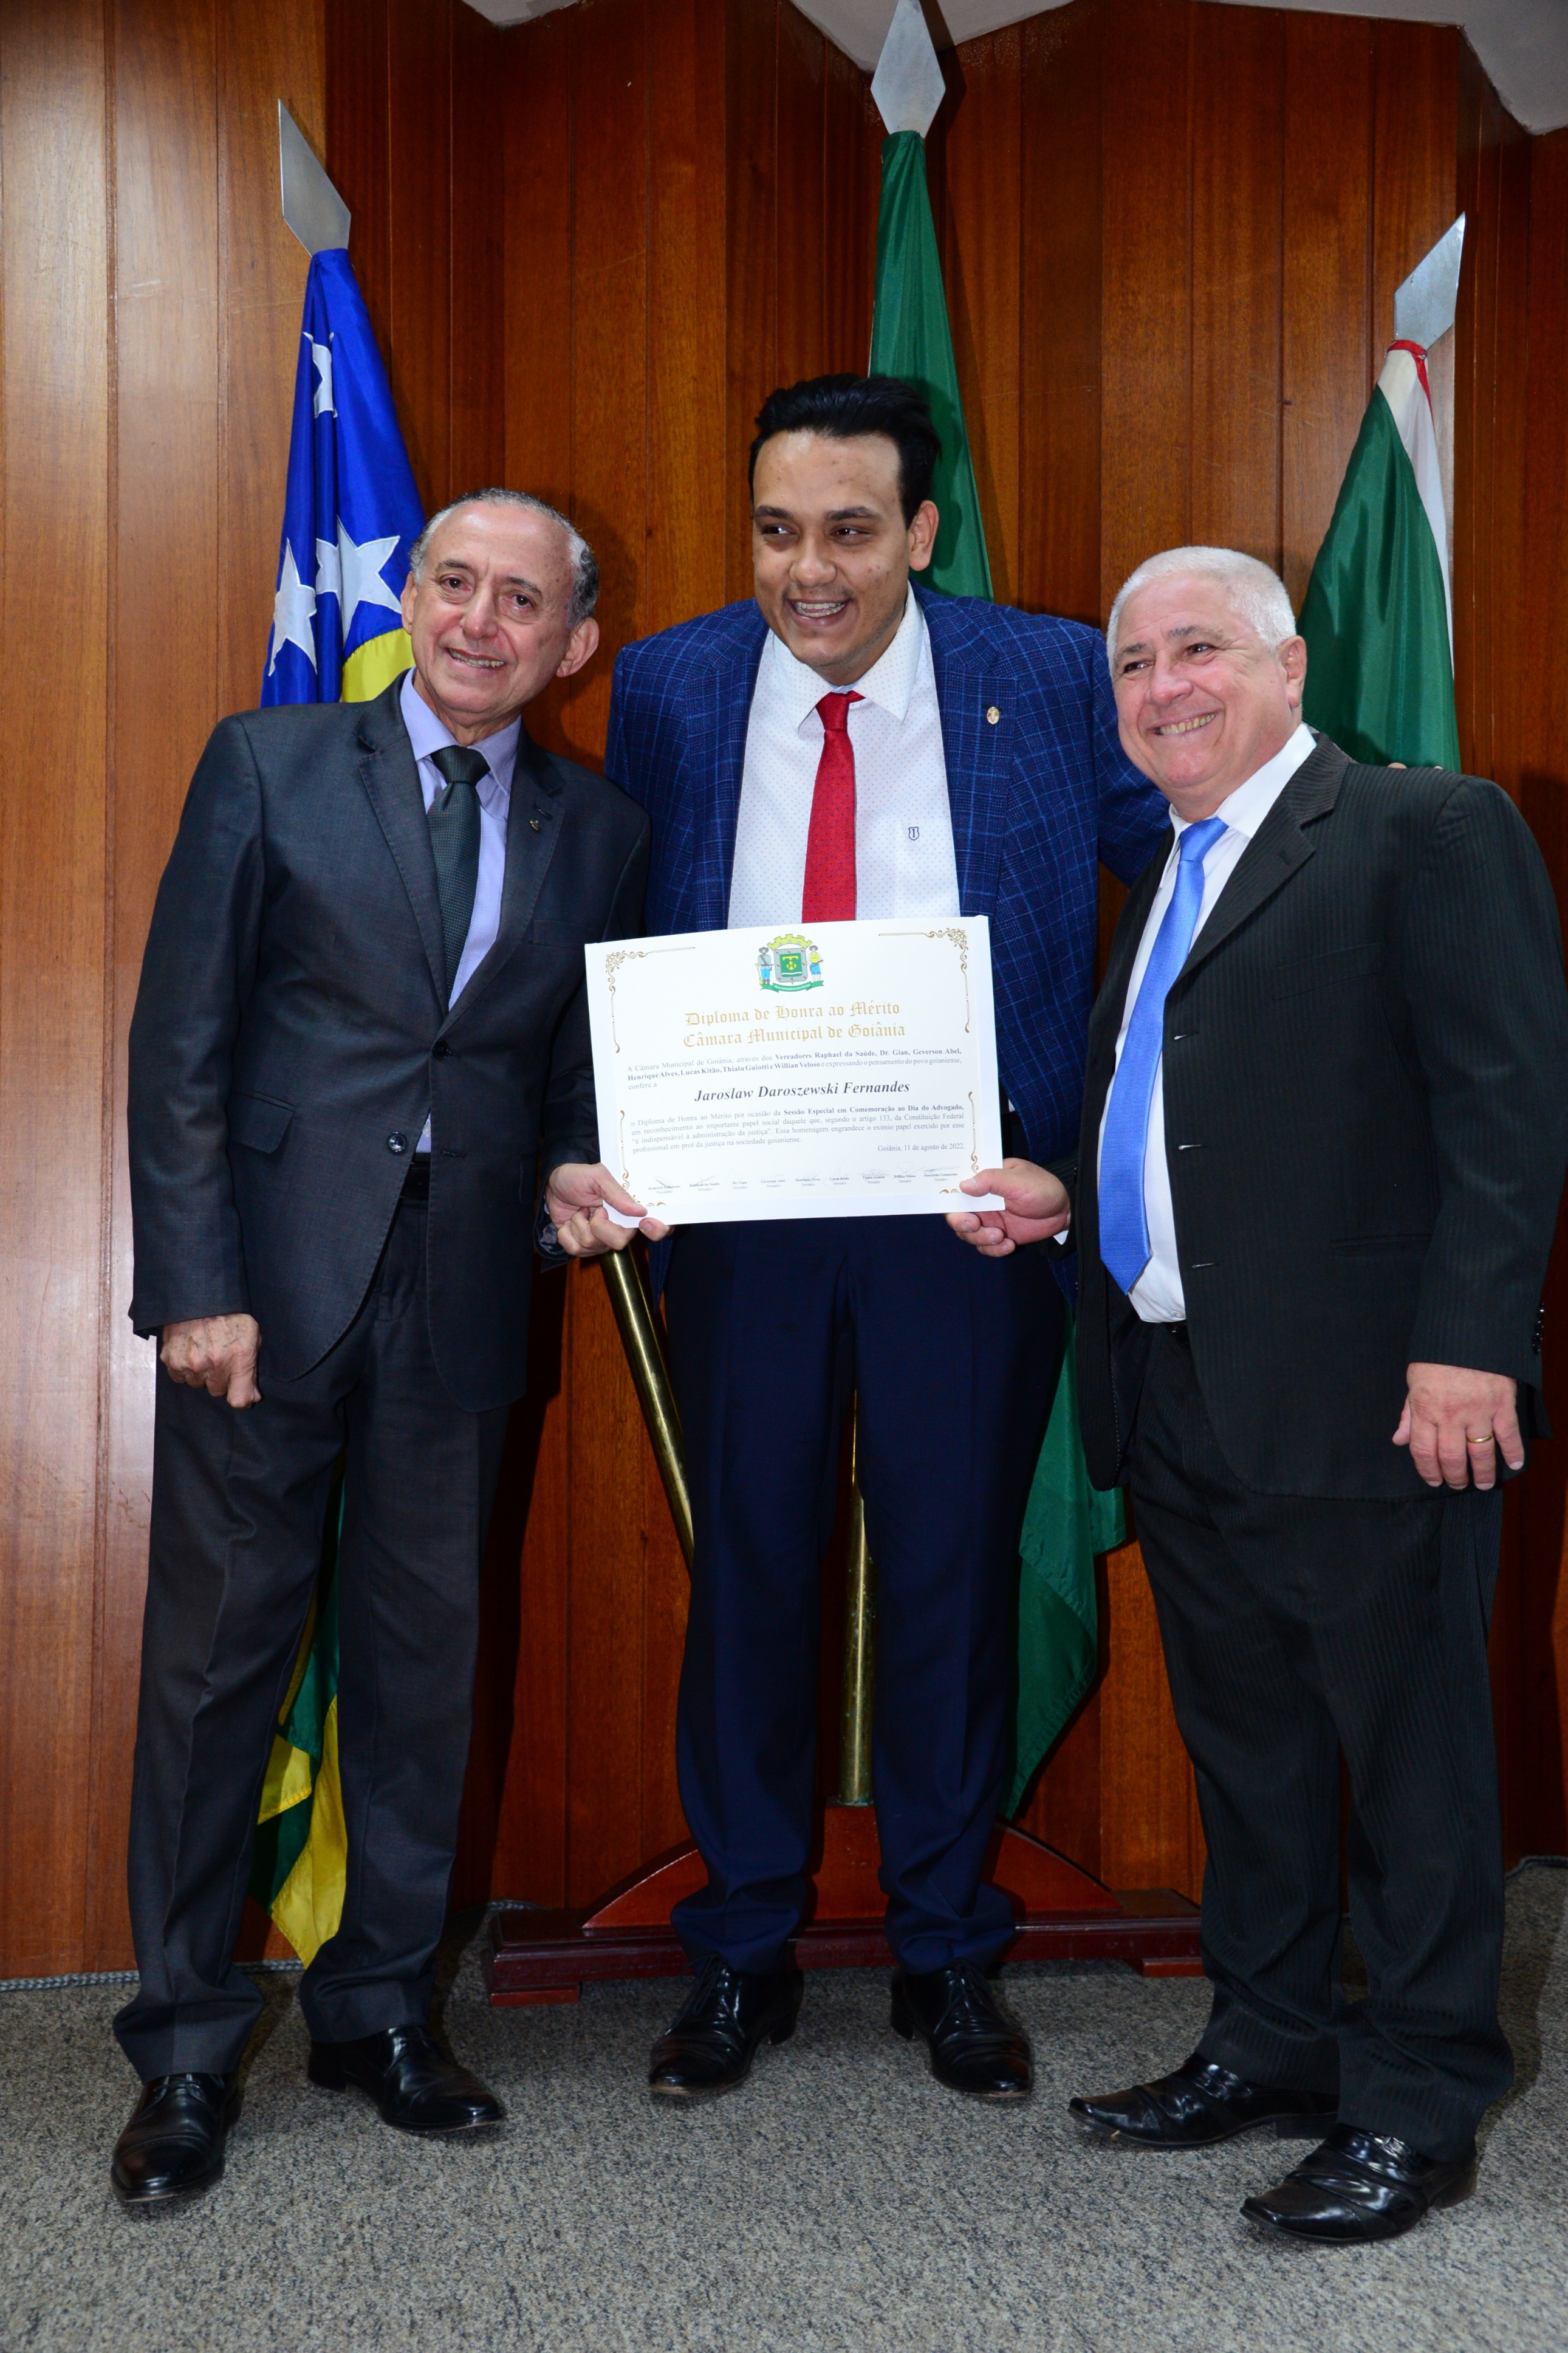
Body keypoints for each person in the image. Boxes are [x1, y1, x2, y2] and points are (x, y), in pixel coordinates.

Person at [948, 545, 1568, 2242]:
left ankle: (1419, 2100)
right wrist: (1070, 1193)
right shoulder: (1171, 865)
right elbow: (1200, 1117)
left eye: (1199, 649)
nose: (1163, 688)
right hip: (1178, 1388)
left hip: (1381, 1399)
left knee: (1414, 1767)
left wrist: (1471, 1344)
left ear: (1291, 666)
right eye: (1134, 665)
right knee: (1253, 1753)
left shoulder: (1425, 828)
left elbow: (1506, 1106)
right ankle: (1273, 2042)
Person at [591, 374, 1167, 2104]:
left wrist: (1075, 1144)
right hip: (743, 1209)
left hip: (967, 1216)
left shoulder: (1048, 675)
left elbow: (1186, 894)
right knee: (750, 1577)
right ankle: (740, 1948)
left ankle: (946, 1950)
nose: (810, 572)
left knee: (946, 1574)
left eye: (850, 531)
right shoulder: (671, 683)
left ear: (922, 531)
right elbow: (608, 913)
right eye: (778, 532)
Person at [114, 489, 656, 2209]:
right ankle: (184, 2048)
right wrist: (195, 1286)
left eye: (523, 601)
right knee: (216, 1673)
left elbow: (568, 1070)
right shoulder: (267, 764)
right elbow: (181, 1043)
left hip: (469, 1296)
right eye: (454, 584)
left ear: (575, 643)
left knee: (427, 1673)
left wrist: (575, 1166)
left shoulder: (600, 826)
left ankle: (379, 2014)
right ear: (410, 598)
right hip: (263, 1300)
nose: (480, 620)